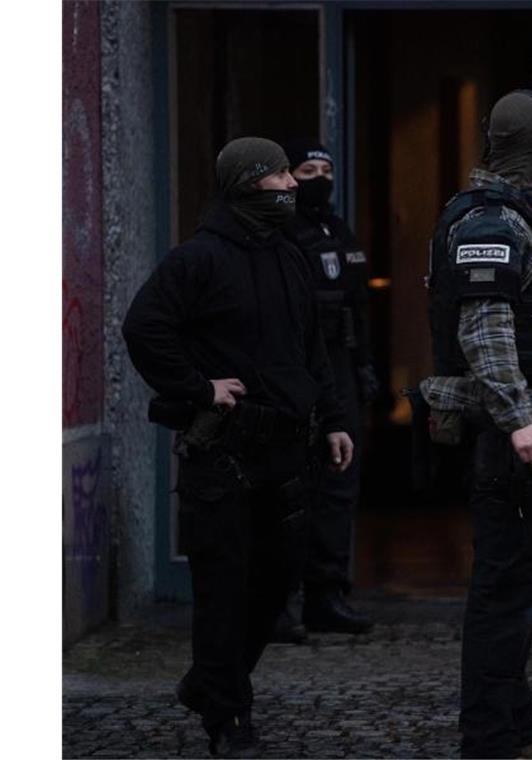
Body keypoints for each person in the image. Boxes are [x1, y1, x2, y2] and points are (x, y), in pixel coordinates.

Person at [122, 136, 353, 757]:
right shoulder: (196, 260)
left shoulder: (291, 256)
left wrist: (332, 419)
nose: (293, 185)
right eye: (280, 176)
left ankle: (209, 681)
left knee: (275, 585)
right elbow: (144, 328)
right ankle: (229, 719)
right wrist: (199, 388)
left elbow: (314, 349)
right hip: (222, 456)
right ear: (250, 183)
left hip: (286, 454)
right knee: (223, 590)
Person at [420, 90, 532, 759]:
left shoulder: (522, 215)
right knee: (501, 594)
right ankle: (490, 741)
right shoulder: (491, 220)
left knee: (521, 589)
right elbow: (485, 329)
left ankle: (518, 733)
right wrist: (521, 420)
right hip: (515, 437)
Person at [273, 139, 376, 638]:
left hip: (339, 368)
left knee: (339, 487)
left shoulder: (338, 231)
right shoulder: (279, 231)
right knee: (290, 489)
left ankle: (325, 595)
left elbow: (358, 306)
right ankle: (278, 601)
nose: (318, 178)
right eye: (307, 169)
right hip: (293, 371)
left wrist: (365, 367)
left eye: (325, 169)